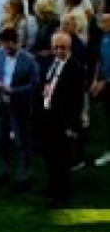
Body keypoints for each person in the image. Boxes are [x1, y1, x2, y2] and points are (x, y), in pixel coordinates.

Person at [0, 25, 39, 188]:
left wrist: (14, 91)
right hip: (1, 102)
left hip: (20, 105)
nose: (6, 48)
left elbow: (34, 85)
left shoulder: (29, 59)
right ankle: (3, 170)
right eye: (3, 44)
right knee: (0, 139)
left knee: (22, 140)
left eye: (9, 45)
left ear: (17, 43)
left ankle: (25, 174)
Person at [40, 29, 87, 207]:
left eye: (62, 48)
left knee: (62, 159)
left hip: (64, 121)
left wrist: (71, 126)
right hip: (49, 116)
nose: (59, 51)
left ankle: (63, 195)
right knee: (49, 155)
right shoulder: (53, 63)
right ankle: (53, 187)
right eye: (55, 47)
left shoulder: (75, 68)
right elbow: (49, 84)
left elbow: (77, 101)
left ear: (70, 48)